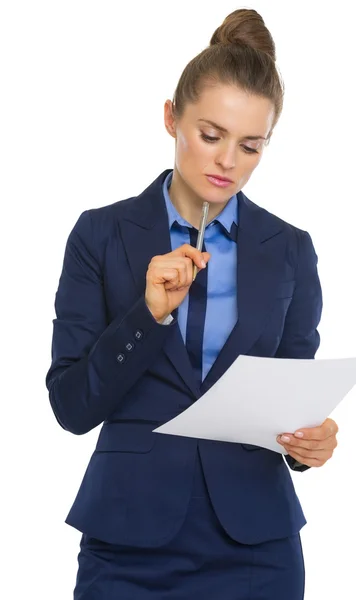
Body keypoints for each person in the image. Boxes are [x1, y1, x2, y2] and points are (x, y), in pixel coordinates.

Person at [46, 8, 338, 599]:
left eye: (251, 145)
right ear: (171, 118)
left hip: (255, 548)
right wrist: (147, 315)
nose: (228, 162)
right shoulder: (100, 236)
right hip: (127, 540)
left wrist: (311, 444)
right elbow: (71, 407)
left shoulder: (288, 251)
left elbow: (290, 402)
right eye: (210, 135)